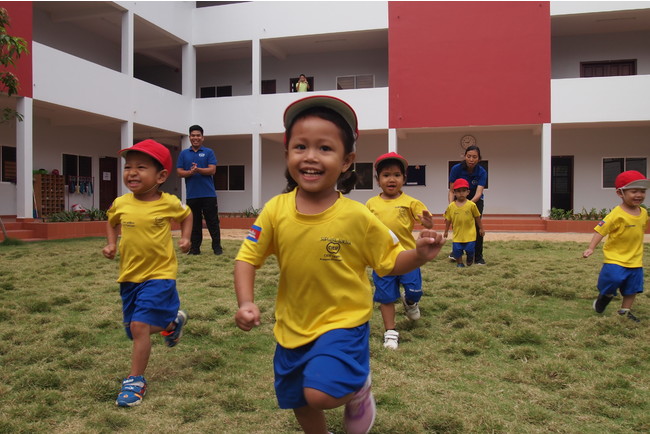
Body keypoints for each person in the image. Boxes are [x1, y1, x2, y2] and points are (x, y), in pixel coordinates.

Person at [233, 95, 445, 434]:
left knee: (319, 394)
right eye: (300, 146)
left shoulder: (357, 216)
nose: (311, 157)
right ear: (287, 154)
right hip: (291, 326)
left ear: (347, 160)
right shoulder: (275, 210)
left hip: (343, 322)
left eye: (325, 148)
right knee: (298, 399)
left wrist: (418, 255)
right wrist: (245, 302)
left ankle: (358, 388)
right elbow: (247, 257)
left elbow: (389, 262)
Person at [102, 139, 192, 407]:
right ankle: (171, 324)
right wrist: (111, 243)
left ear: (161, 176)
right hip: (129, 276)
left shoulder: (168, 203)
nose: (132, 172)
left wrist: (186, 238)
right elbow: (111, 222)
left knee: (140, 327)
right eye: (128, 167)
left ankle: (135, 381)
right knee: (134, 330)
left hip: (160, 274)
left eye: (141, 167)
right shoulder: (121, 202)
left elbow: (186, 216)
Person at [366, 152, 434, 350]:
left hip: (408, 257)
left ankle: (411, 302)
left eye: (396, 174)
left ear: (404, 178)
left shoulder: (411, 202)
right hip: (382, 259)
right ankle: (390, 332)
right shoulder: (371, 204)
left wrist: (428, 223)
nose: (391, 179)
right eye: (386, 175)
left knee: (415, 291)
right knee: (386, 297)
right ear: (378, 180)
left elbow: (425, 220)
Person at [582, 170, 649, 322]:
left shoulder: (644, 213)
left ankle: (624, 312)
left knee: (632, 288)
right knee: (612, 280)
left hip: (635, 259)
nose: (639, 195)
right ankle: (605, 296)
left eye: (642, 191)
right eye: (634, 191)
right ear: (620, 193)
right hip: (615, 258)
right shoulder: (616, 214)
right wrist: (591, 248)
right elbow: (600, 231)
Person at [177, 125, 223, 255]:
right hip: (192, 195)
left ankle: (217, 248)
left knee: (212, 222)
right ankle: (195, 249)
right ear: (190, 137)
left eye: (198, 135)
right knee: (194, 223)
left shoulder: (209, 152)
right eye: (193, 135)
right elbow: (179, 172)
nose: (195, 138)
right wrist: (190, 172)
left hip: (208, 194)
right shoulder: (184, 154)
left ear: (202, 138)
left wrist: (198, 170)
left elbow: (212, 170)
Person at [448, 145, 487, 264]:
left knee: (476, 227)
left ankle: (478, 257)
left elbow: (479, 192)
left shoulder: (482, 172)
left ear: (479, 159)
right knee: (459, 225)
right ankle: (456, 253)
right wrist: (452, 207)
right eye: (469, 156)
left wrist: (468, 205)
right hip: (458, 198)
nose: (471, 159)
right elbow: (451, 190)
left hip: (475, 200)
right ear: (465, 156)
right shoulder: (456, 169)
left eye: (474, 157)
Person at [444, 178, 485, 267]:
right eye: (458, 191)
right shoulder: (451, 206)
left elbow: (477, 217)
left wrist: (481, 228)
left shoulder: (471, 205)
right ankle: (460, 263)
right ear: (454, 193)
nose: (461, 193)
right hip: (457, 235)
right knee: (457, 251)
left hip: (470, 234)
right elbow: (448, 219)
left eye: (463, 191)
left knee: (470, 250)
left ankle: (470, 257)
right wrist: (446, 231)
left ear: (468, 192)